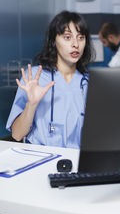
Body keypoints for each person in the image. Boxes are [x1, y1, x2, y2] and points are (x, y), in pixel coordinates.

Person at [6, 10, 94, 148]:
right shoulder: (35, 78)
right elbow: (17, 135)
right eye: (67, 37)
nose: (75, 44)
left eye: (81, 37)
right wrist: (31, 104)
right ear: (54, 41)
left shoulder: (90, 83)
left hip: (80, 162)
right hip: (41, 160)